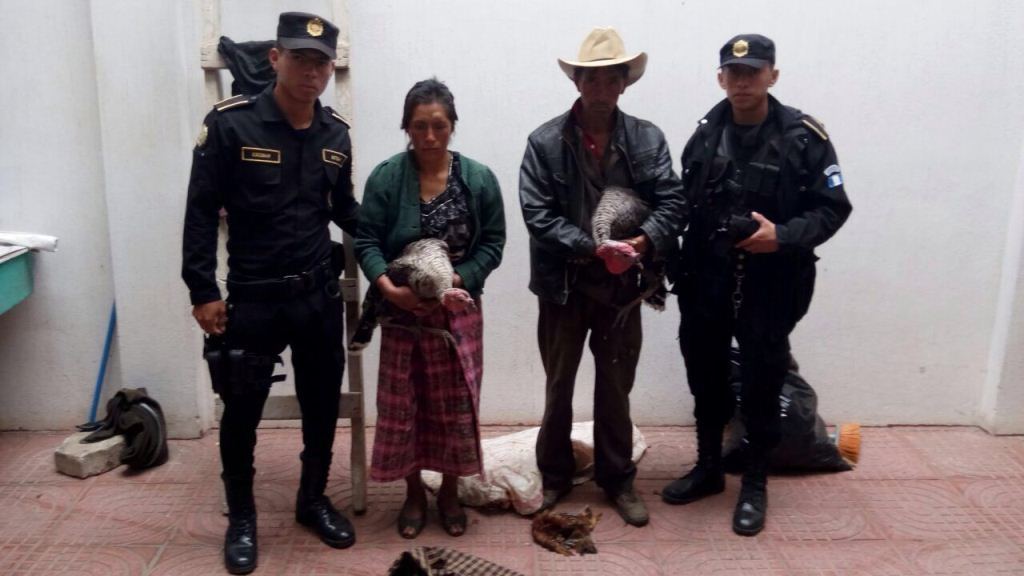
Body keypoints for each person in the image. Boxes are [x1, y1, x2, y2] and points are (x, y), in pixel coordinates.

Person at [182, 12, 359, 574]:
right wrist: (202, 288)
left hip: (316, 298)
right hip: (253, 299)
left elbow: (346, 211)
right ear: (275, 60)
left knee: (322, 403)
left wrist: (399, 229)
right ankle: (242, 517)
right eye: (301, 59)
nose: (312, 72)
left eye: (321, 62)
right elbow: (200, 211)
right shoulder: (231, 124)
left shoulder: (337, 133)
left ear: (330, 70)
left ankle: (311, 500)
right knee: (241, 412)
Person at [661, 34, 852, 536]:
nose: (742, 81)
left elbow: (834, 208)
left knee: (764, 381)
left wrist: (782, 236)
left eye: (754, 71)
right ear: (721, 77)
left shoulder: (804, 137)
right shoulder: (705, 133)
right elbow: (685, 201)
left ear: (773, 75)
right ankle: (707, 467)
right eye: (733, 72)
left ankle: (755, 482)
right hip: (706, 278)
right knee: (704, 371)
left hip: (771, 282)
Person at [519, 27, 686, 527]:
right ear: (578, 83)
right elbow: (537, 214)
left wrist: (638, 245)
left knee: (616, 387)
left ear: (623, 83)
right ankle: (554, 476)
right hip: (563, 288)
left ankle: (618, 478)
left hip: (622, 291)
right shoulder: (544, 141)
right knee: (558, 386)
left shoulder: (648, 137)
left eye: (610, 78)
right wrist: (593, 248)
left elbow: (673, 202)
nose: (600, 87)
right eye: (591, 78)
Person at [354, 78, 506, 539]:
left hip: (457, 315)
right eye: (419, 126)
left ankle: (450, 491)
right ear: (406, 127)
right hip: (402, 316)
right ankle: (415, 492)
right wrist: (388, 288)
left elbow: (494, 244)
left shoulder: (478, 179)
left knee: (456, 408)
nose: (430, 136)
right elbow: (367, 241)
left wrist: (454, 281)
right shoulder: (386, 177)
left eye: (439, 125)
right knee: (406, 408)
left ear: (452, 126)